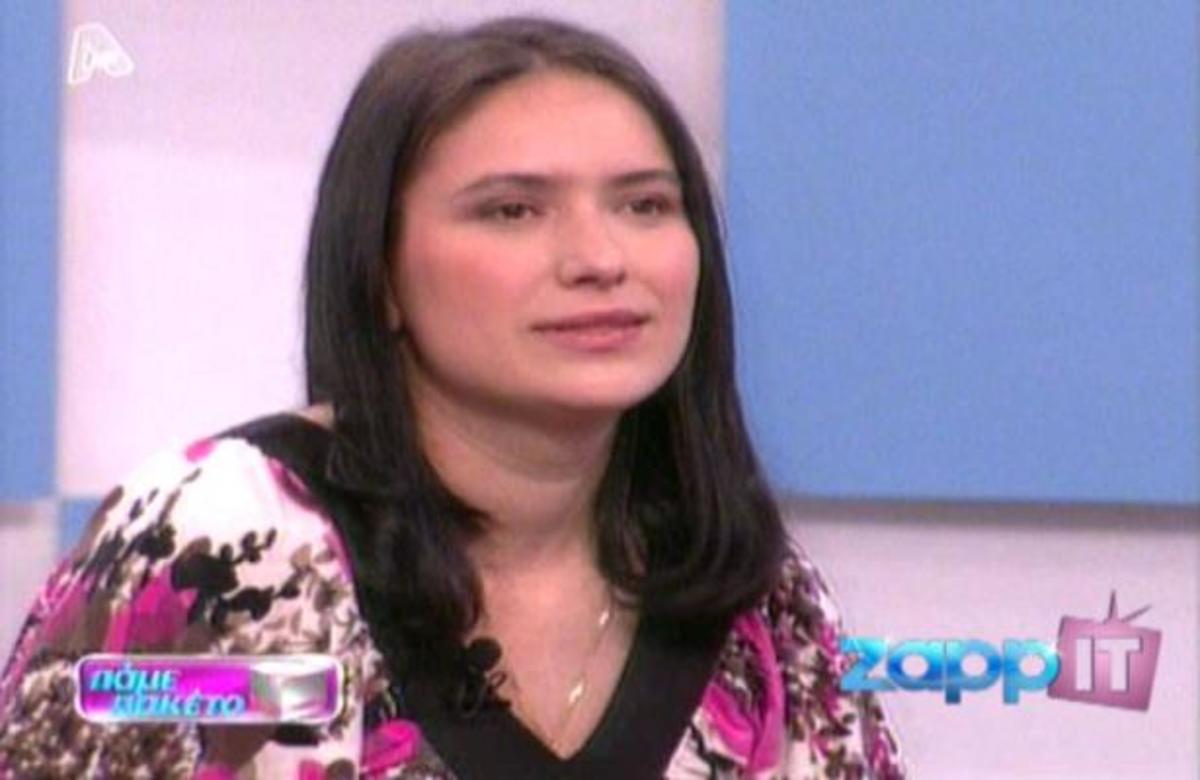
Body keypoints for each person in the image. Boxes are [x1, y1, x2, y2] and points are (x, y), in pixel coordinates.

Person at [0, 16, 904, 779]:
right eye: (513, 210)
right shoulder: (223, 541)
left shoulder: (756, 595)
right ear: (381, 274)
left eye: (645, 206)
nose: (601, 259)